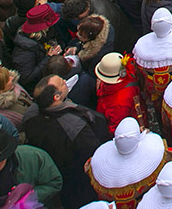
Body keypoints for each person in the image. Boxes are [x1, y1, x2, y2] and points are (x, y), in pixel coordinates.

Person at [23, 73, 111, 207]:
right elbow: (93, 149)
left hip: (58, 170)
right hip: (79, 175)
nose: (65, 81)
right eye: (62, 83)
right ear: (56, 97)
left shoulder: (30, 115)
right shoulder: (74, 126)